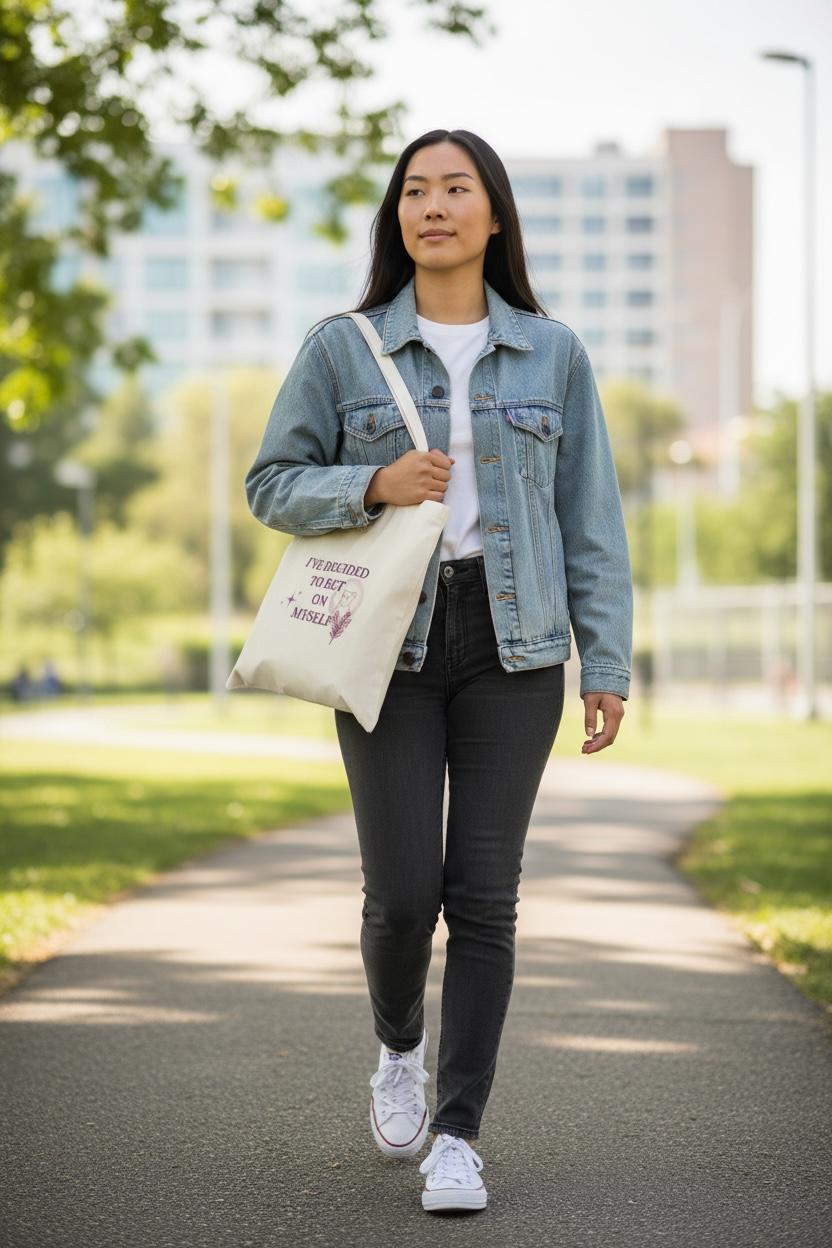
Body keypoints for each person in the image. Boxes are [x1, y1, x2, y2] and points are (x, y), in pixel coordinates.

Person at [246, 129, 632, 1214]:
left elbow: (589, 520)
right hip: (391, 642)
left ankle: (458, 1134)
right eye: (414, 190)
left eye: (456, 189)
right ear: (396, 217)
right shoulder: (342, 347)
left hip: (517, 647)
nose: (434, 206)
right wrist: (371, 483)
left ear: (494, 215)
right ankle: (398, 1045)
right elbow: (271, 482)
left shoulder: (552, 353)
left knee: (486, 898)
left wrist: (605, 660)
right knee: (402, 894)